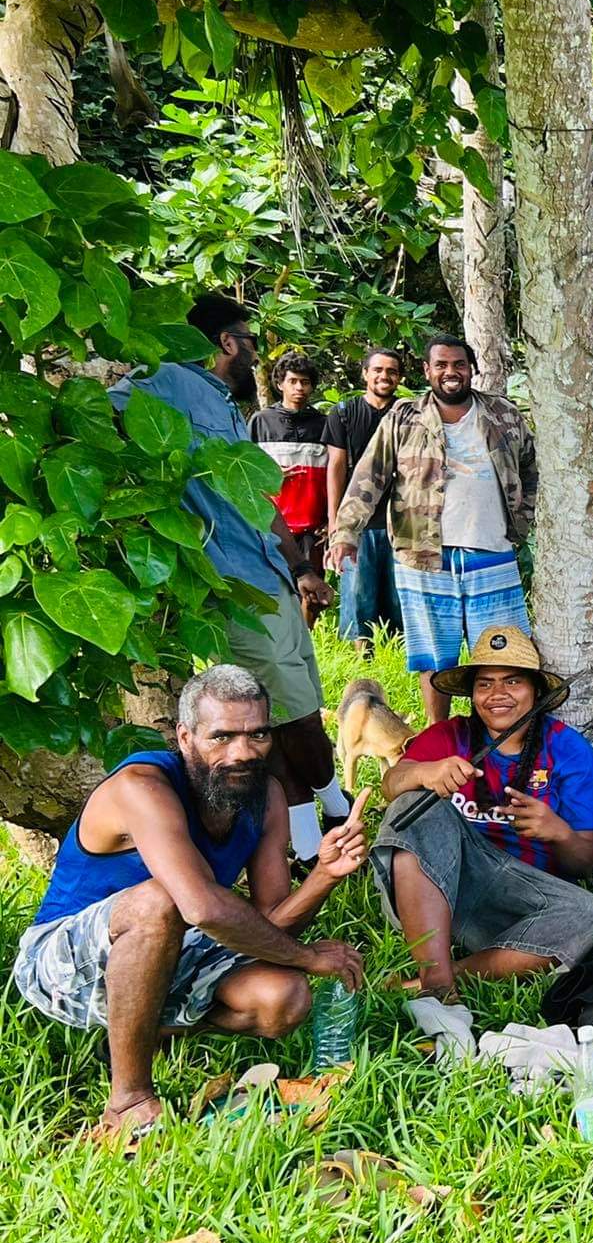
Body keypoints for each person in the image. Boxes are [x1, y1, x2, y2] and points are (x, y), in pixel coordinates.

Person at [10, 667, 369, 1134]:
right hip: (61, 964)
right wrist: (307, 957)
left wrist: (323, 876)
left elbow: (273, 922)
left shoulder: (266, 796)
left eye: (257, 735)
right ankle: (128, 1102)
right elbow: (201, 907)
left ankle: (141, 1032)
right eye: (222, 737)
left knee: (284, 998)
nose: (242, 752)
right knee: (162, 900)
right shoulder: (142, 786)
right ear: (185, 737)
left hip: (172, 947)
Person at [112, 294, 349, 861]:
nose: (255, 354)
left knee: (302, 709)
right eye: (249, 341)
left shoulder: (226, 406)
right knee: (272, 719)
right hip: (232, 587)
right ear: (225, 342)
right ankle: (309, 843)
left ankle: (332, 811)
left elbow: (258, 496)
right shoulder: (168, 379)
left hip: (268, 575)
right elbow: (104, 410)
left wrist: (299, 567)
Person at [374, 627, 593, 998]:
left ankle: (446, 975)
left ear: (536, 691)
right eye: (484, 684)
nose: (497, 694)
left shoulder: (569, 750)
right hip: (433, 890)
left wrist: (558, 832)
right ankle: (436, 983)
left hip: (520, 898)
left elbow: (585, 861)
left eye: (512, 681)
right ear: (472, 694)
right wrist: (425, 773)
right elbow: (391, 784)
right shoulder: (449, 736)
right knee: (412, 803)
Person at [328, 334, 538, 726]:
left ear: (471, 369)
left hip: (491, 552)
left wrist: (523, 517)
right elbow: (369, 475)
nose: (450, 372)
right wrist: (345, 532)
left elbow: (530, 467)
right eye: (441, 365)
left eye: (459, 364)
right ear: (427, 371)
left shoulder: (503, 414)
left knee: (500, 657)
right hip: (422, 558)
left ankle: (495, 738)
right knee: (435, 658)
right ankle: (438, 735)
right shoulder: (404, 417)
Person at [323, 346, 406, 658]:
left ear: (399, 377)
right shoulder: (344, 413)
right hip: (357, 523)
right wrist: (336, 523)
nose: (384, 376)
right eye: (378, 370)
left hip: (400, 522)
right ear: (365, 374)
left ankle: (399, 659)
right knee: (358, 596)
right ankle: (362, 660)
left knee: (399, 597)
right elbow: (335, 468)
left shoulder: (408, 415)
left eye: (392, 371)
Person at [249, 350, 329, 621]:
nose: (299, 388)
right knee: (273, 590)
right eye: (293, 381)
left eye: (305, 382)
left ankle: (307, 638)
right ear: (280, 383)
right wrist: (270, 475)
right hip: (271, 524)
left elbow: (336, 474)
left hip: (312, 527)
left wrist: (331, 520)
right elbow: (245, 471)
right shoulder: (261, 421)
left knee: (313, 594)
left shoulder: (324, 424)